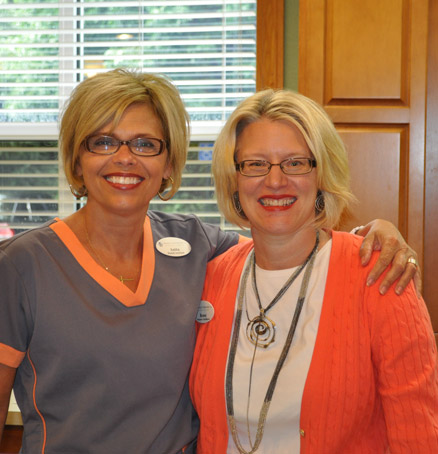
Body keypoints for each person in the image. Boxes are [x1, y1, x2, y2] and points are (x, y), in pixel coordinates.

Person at [0, 69, 422, 454]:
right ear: (77, 157)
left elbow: (288, 242)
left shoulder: (197, 248)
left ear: (168, 164)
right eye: (103, 141)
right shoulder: (22, 266)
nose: (125, 157)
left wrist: (375, 234)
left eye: (146, 143)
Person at [189, 89, 438, 453]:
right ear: (234, 179)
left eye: (295, 162)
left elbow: (418, 436)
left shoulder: (381, 276)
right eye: (256, 164)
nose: (275, 181)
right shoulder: (209, 279)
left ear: (323, 173)